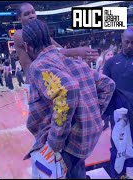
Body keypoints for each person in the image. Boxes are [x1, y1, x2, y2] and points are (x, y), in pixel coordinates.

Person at [22, 19, 115, 178]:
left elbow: (68, 89)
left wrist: (54, 143)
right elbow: (108, 84)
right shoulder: (74, 62)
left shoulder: (38, 65)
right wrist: (90, 113)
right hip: (85, 138)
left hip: (66, 143)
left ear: (27, 46)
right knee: (77, 170)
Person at [13, 2, 99, 84]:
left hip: (46, 78)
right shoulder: (19, 34)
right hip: (34, 80)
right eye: (26, 14)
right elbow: (48, 52)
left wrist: (77, 58)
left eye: (33, 12)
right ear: (19, 18)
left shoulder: (41, 32)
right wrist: (77, 51)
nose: (31, 16)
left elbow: (59, 48)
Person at [103, 26, 133, 179]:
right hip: (119, 116)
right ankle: (117, 176)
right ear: (121, 41)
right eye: (127, 42)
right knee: (117, 147)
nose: (130, 46)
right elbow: (104, 91)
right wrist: (103, 116)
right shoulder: (111, 63)